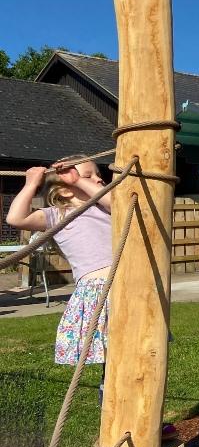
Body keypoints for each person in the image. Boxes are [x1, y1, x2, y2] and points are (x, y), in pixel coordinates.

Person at [6, 156, 112, 375]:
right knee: (109, 354)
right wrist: (31, 184)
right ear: (64, 191)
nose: (98, 180)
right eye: (88, 176)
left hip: (127, 285)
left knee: (132, 346)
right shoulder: (58, 216)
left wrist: (79, 181)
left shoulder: (108, 208)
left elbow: (114, 200)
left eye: (99, 175)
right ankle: (109, 398)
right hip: (98, 290)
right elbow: (15, 219)